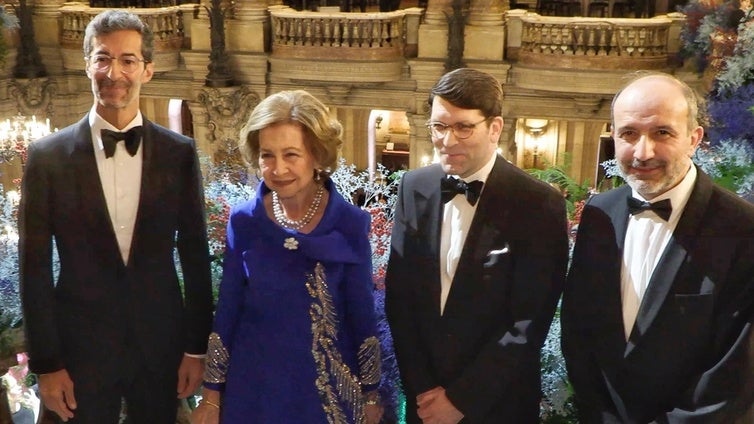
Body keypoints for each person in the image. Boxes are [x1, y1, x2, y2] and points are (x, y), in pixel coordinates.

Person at [18, 10, 214, 423]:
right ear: (86, 64)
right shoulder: (46, 157)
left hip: (160, 348)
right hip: (78, 352)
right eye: (103, 58)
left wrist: (196, 349)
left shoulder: (179, 154)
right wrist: (46, 364)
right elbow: (32, 269)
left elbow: (196, 258)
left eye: (128, 60)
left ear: (148, 70)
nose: (114, 72)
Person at [561, 72, 754, 423]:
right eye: (629, 134)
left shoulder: (743, 230)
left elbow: (734, 376)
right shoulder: (599, 214)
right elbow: (578, 333)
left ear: (694, 139)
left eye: (662, 133)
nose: (642, 152)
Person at [385, 67, 569, 423]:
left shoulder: (538, 203)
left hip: (499, 404)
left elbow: (528, 321)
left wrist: (461, 400)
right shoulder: (414, 186)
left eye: (463, 128)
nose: (447, 141)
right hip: (424, 401)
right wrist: (423, 389)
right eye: (439, 126)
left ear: (495, 128)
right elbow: (401, 298)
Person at [191, 90, 383, 424]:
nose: (278, 169)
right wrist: (210, 395)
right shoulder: (244, 221)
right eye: (267, 155)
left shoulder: (351, 223)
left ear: (317, 155)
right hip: (254, 390)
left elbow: (361, 315)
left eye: (291, 154)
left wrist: (370, 395)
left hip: (325, 395)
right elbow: (228, 311)